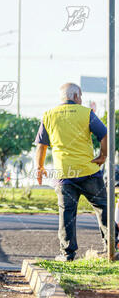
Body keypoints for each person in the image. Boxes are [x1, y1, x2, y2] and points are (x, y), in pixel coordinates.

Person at [35, 82, 118, 261]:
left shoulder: (49, 115)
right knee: (104, 208)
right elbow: (105, 135)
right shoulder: (86, 113)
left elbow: (41, 146)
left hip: (64, 175)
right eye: (80, 97)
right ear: (75, 97)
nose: (81, 100)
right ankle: (112, 247)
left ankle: (68, 254)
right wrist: (102, 156)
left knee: (67, 213)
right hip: (88, 171)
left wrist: (40, 168)